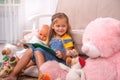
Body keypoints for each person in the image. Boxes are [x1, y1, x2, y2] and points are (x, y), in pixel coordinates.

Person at [2, 13, 76, 80]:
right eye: (58, 26)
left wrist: (62, 55)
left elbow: (68, 57)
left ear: (67, 26)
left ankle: (42, 76)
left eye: (63, 26)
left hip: (60, 61)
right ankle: (13, 74)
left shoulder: (67, 38)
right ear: (53, 26)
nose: (60, 28)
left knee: (38, 50)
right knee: (32, 49)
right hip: (50, 58)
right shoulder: (51, 37)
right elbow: (46, 49)